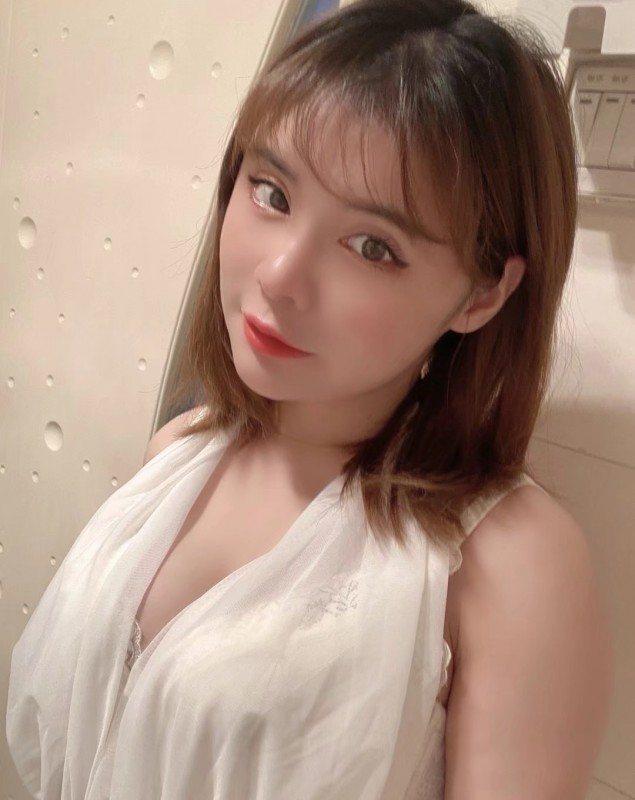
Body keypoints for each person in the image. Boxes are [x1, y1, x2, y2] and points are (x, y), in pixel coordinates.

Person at [6, 0, 613, 797]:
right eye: (271, 193)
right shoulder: (183, 450)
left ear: (481, 294)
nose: (279, 275)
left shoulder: (507, 565)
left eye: (372, 246)